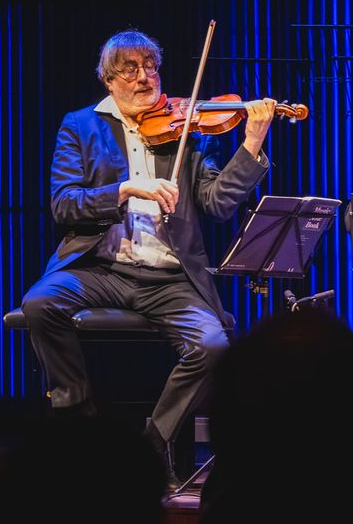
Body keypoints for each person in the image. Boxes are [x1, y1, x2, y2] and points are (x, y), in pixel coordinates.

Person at [20, 29, 276, 488]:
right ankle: (77, 410)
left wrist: (251, 144)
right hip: (101, 267)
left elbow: (217, 204)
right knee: (40, 304)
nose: (145, 78)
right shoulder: (80, 126)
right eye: (131, 70)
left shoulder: (188, 130)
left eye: (151, 67)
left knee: (213, 346)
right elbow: (64, 204)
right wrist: (125, 190)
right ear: (108, 80)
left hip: (170, 277)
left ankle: (154, 440)